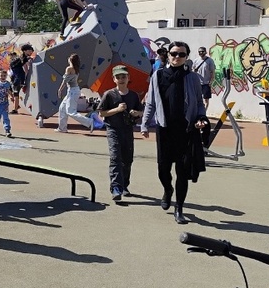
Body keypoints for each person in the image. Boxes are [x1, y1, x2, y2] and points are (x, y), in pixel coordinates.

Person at [141, 41, 209, 225]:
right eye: (173, 53)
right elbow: (151, 102)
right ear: (168, 54)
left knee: (183, 170)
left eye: (181, 54)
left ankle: (179, 208)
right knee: (163, 169)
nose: (177, 57)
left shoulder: (192, 78)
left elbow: (199, 103)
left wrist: (201, 117)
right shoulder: (158, 75)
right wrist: (144, 124)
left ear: (187, 57)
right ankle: (167, 189)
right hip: (165, 129)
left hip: (186, 130)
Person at [99, 65, 143, 203]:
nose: (121, 79)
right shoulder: (109, 94)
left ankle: (124, 185)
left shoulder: (133, 95)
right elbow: (101, 113)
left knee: (127, 159)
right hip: (113, 129)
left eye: (123, 76)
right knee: (115, 157)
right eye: (118, 77)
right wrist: (117, 110)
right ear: (114, 79)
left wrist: (137, 113)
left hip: (128, 130)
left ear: (128, 78)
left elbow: (141, 112)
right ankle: (116, 188)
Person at [58, 53, 94, 132]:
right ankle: (62, 128)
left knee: (71, 111)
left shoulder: (69, 68)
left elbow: (65, 80)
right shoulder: (76, 68)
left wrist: (60, 90)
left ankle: (89, 121)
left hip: (73, 91)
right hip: (72, 90)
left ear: (70, 60)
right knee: (62, 108)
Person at [8, 44, 33, 113]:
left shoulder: (24, 58)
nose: (31, 52)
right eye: (29, 50)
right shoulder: (22, 58)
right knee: (9, 89)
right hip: (16, 76)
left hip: (18, 77)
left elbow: (27, 68)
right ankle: (16, 105)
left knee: (16, 93)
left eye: (31, 51)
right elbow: (26, 68)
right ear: (25, 51)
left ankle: (15, 109)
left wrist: (26, 78)